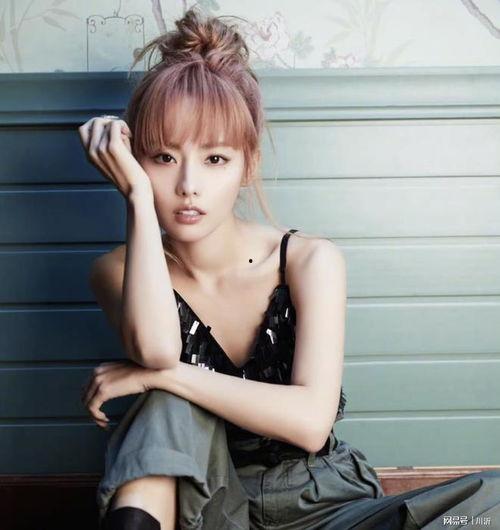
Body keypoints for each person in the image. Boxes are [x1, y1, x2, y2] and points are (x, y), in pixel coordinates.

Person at [79, 7, 500, 530]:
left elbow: (309, 423)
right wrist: (138, 200)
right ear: (135, 164)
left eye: (215, 159)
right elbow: (157, 350)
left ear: (248, 164)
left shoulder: (310, 261)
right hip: (212, 506)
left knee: (491, 503)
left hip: (327, 506)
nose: (188, 185)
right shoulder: (116, 272)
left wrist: (162, 376)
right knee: (163, 409)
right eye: (163, 158)